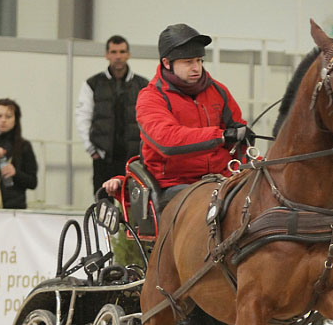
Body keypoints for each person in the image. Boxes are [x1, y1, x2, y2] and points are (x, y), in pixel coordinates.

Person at [103, 23, 252, 210]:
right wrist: (220, 136)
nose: (196, 67)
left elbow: (238, 136)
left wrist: (245, 139)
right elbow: (167, 141)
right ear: (167, 63)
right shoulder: (151, 97)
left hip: (221, 178)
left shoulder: (219, 91)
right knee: (209, 207)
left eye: (199, 60)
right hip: (173, 184)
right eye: (188, 62)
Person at [75, 35, 149, 193]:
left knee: (132, 205)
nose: (118, 56)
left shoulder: (143, 85)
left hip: (133, 159)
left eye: (122, 52)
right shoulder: (92, 84)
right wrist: (91, 149)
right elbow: (83, 117)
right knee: (102, 204)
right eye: (114, 52)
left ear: (128, 54)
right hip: (103, 158)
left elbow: (150, 120)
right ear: (107, 55)